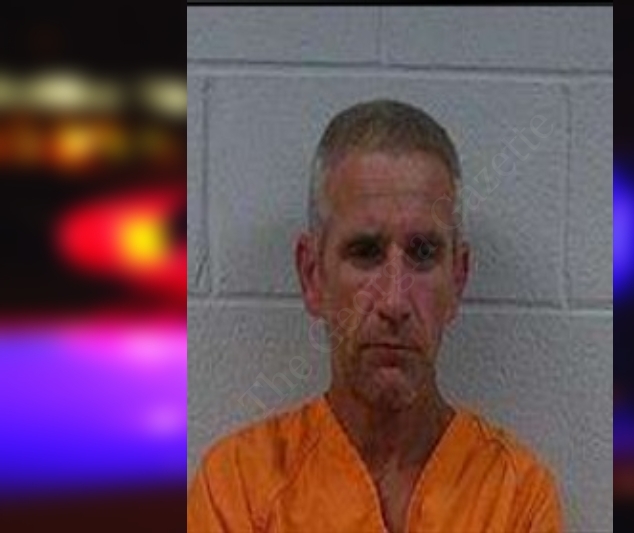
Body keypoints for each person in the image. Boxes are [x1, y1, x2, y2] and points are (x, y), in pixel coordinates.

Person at [187, 99, 563, 532]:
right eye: (365, 252)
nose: (394, 302)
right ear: (312, 275)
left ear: (457, 279)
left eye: (423, 253)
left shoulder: (514, 494)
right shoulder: (238, 486)